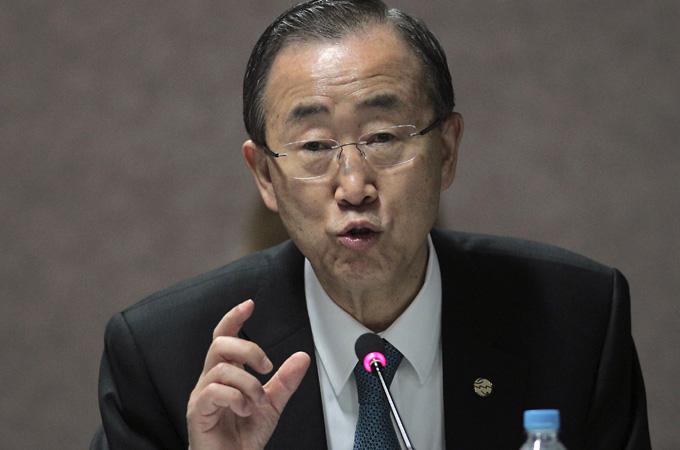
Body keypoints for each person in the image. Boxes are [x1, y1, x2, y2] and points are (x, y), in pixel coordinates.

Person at [91, 1, 651, 449]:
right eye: (315, 146)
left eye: (383, 137)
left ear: (447, 151)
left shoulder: (575, 322)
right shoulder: (164, 359)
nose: (354, 185)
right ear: (264, 175)